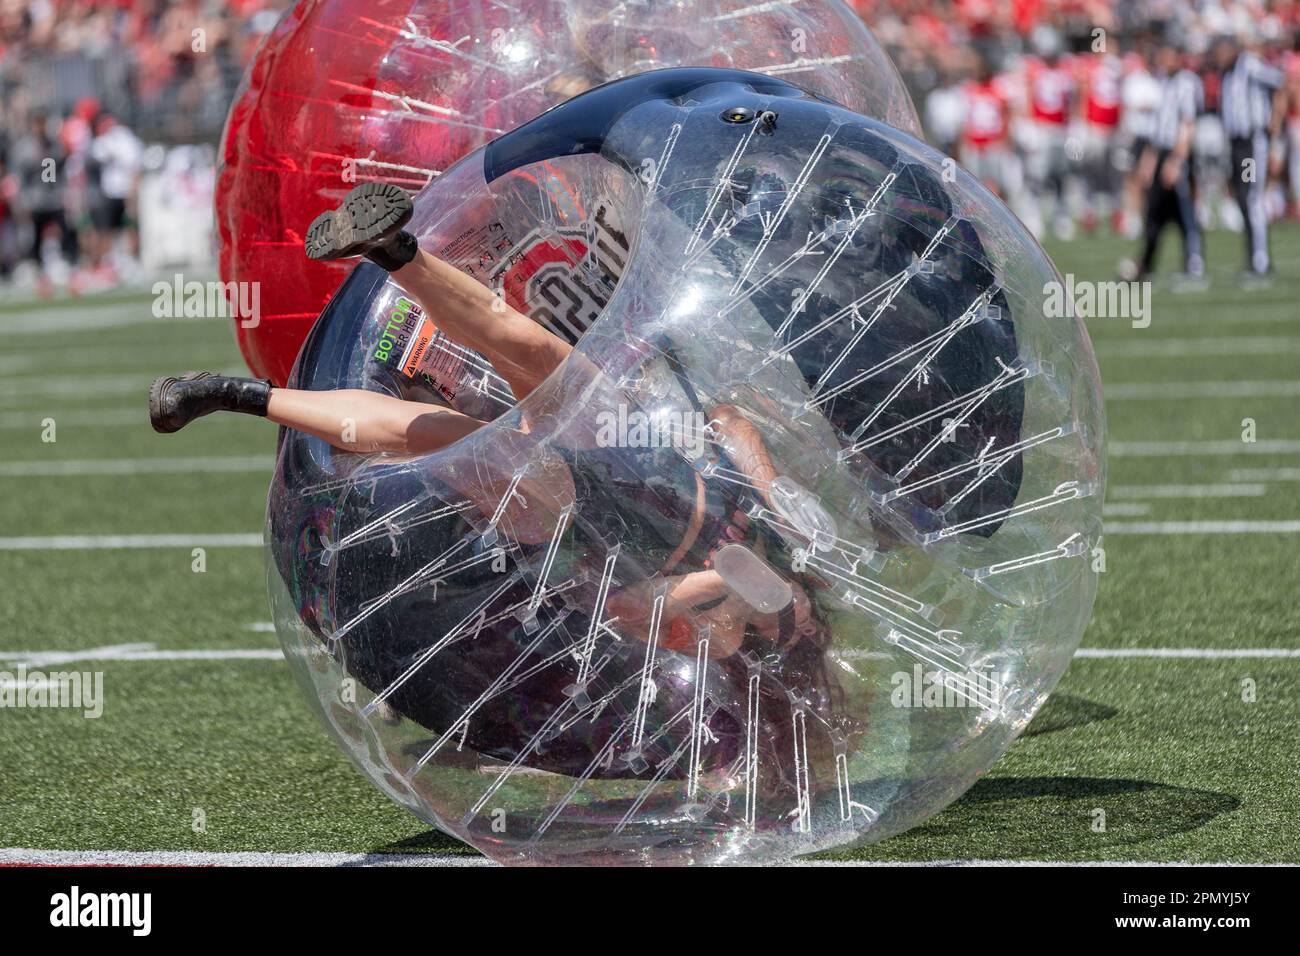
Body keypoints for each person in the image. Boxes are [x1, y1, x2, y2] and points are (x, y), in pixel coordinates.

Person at [1124, 40, 1204, 282]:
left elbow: (1187, 125)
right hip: (1161, 152)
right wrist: (1149, 160)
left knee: (1185, 211)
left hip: (1177, 155)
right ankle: (1146, 265)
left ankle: (1194, 262)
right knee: (1154, 213)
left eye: (1170, 56)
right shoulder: (1162, 81)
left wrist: (1177, 160)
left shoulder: (1187, 83)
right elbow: (1157, 127)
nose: (1165, 61)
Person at [1213, 34, 1286, 277]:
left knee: (1252, 198)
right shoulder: (1228, 73)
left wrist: (1275, 120)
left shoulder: (1250, 66)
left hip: (1251, 143)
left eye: (1222, 51)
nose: (1219, 57)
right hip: (1236, 145)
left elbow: (1281, 83)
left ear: (1232, 49)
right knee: (1243, 199)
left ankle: (1261, 261)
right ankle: (1253, 258)